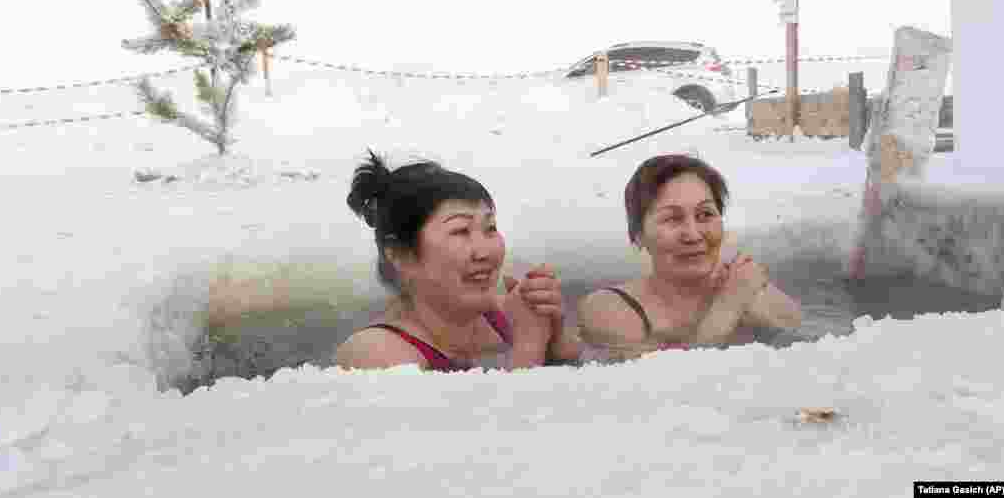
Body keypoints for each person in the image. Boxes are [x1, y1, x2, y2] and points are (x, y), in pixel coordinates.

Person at [335, 150, 583, 371]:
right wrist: (528, 344)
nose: (484, 251)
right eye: (460, 231)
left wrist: (556, 334)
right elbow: (512, 421)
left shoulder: (510, 313)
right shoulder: (374, 353)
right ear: (398, 253)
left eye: (490, 228)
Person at [577, 154, 802, 360]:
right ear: (638, 236)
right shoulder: (609, 309)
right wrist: (730, 303)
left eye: (705, 215)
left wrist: (740, 296)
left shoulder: (752, 291)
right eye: (673, 219)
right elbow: (670, 387)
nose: (693, 235)